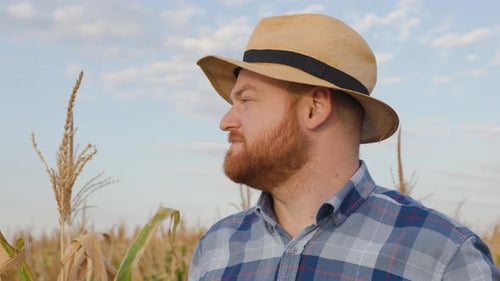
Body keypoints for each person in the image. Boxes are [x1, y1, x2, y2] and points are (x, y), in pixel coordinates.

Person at [188, 13, 499, 281]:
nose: (226, 121)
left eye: (247, 100)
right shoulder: (216, 248)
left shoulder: (440, 256)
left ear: (314, 109)